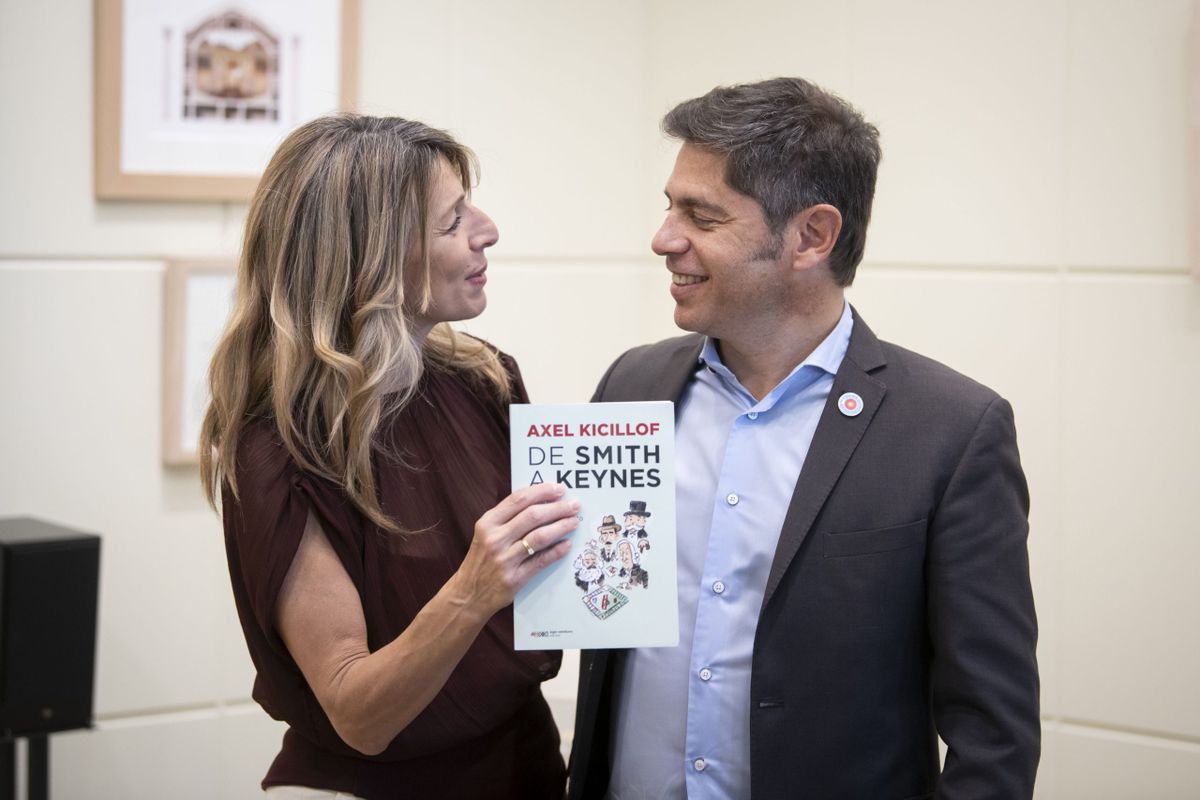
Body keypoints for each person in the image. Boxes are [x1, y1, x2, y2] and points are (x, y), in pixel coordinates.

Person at [568, 78, 1040, 799]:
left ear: (812, 236)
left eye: (702, 215)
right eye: (669, 207)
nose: (664, 239)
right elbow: (598, 606)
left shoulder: (951, 431)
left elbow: (994, 737)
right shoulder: (632, 385)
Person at [199, 114, 579, 799]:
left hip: (527, 767)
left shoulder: (486, 378)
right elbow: (359, 716)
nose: (488, 230)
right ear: (369, 261)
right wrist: (472, 590)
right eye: (452, 221)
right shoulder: (282, 450)